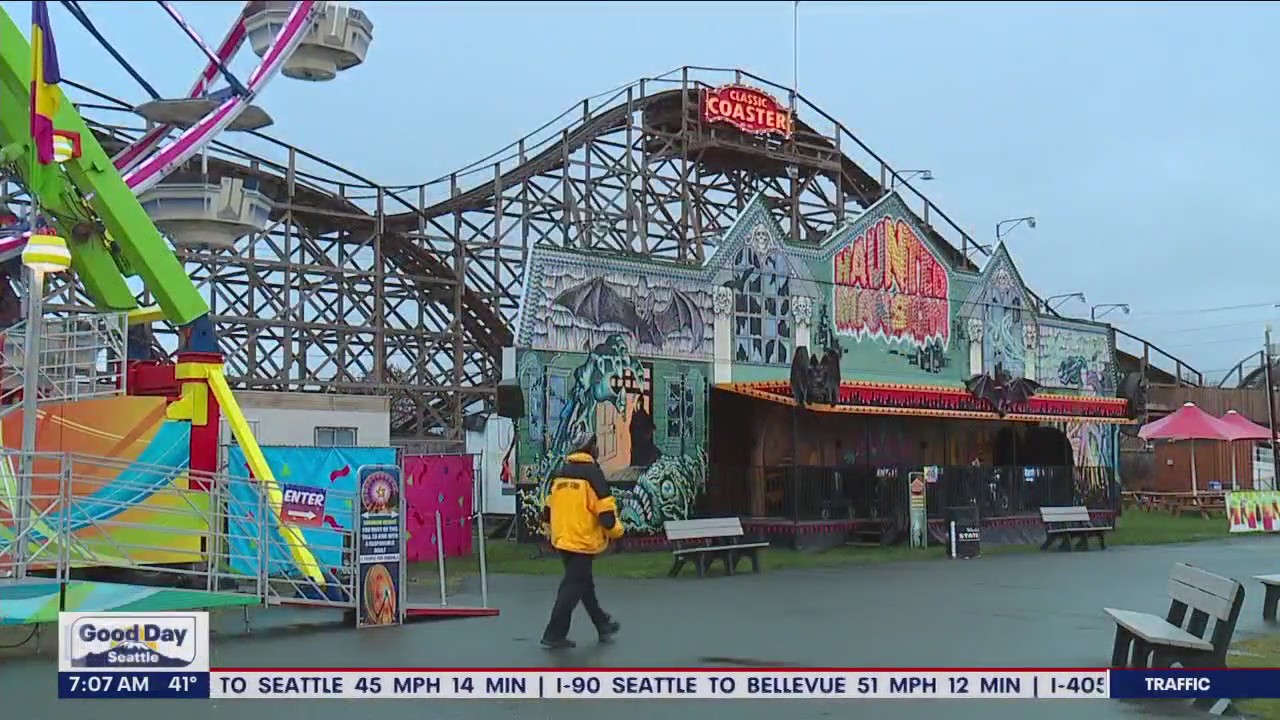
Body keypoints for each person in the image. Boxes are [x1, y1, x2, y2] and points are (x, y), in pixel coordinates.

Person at [540, 431, 624, 649]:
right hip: (582, 540)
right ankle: (554, 634)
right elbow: (605, 513)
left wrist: (550, 530)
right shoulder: (592, 473)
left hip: (563, 539)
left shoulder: (562, 471)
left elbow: (547, 508)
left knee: (584, 584)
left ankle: (602, 624)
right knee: (572, 586)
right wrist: (618, 533)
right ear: (590, 448)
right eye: (595, 445)